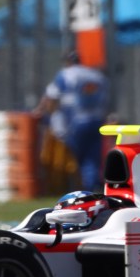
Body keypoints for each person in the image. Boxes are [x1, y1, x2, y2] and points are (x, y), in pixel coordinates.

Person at [33, 50, 111, 191]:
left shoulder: (66, 74)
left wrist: (44, 114)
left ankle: (82, 188)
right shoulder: (96, 75)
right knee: (93, 158)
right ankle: (93, 185)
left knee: (78, 158)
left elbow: (52, 97)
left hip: (78, 121)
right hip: (97, 120)